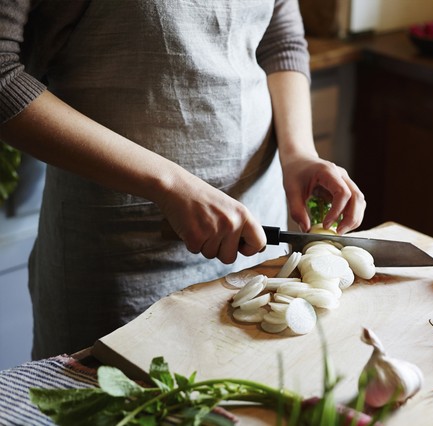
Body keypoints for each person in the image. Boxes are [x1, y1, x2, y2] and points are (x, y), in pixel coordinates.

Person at [0, 0, 366, 360]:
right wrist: (169, 184)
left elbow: (279, 35)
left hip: (257, 232)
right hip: (124, 254)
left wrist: (299, 152)